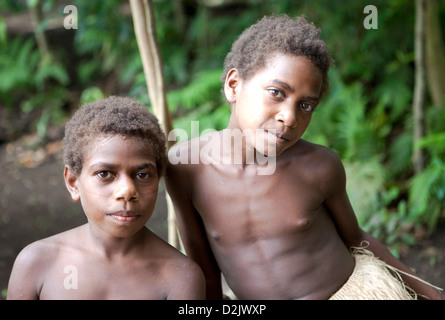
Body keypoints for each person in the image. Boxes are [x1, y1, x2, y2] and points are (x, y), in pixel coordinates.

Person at [165, 15, 444, 300]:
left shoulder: (319, 167)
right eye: (276, 92)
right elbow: (202, 262)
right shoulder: (185, 167)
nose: (289, 117)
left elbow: (356, 238)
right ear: (234, 85)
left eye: (306, 106)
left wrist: (431, 295)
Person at [7, 96, 205, 300]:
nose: (127, 191)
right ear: (73, 182)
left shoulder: (180, 277)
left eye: (143, 175)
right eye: (105, 174)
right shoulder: (37, 263)